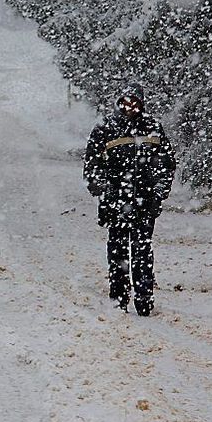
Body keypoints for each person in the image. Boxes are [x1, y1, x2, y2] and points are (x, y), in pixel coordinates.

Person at [83, 84, 175, 316]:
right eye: (126, 102)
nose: (130, 107)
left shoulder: (153, 128)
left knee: (142, 250)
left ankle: (144, 299)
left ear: (142, 104)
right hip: (115, 204)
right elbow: (92, 168)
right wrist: (105, 190)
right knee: (117, 252)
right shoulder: (105, 129)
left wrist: (158, 193)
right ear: (119, 102)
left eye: (135, 102)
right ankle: (119, 299)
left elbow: (166, 165)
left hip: (145, 203)